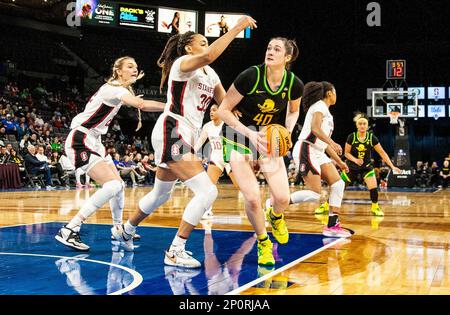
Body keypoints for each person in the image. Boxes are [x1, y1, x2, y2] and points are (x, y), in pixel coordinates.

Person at [113, 16, 258, 268]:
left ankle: (125, 230)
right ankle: (175, 249)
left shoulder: (210, 74)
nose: (206, 44)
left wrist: (241, 112)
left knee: (160, 194)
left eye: (206, 41)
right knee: (207, 191)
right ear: (189, 48)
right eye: (201, 42)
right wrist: (236, 28)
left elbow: (224, 101)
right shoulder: (182, 64)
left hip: (185, 132)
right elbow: (211, 55)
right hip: (173, 128)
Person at [55, 56, 165, 251]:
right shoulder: (113, 89)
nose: (134, 70)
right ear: (118, 71)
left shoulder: (117, 90)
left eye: (136, 66)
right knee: (113, 184)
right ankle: (70, 228)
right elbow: (141, 105)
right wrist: (170, 107)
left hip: (95, 141)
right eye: (130, 66)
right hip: (81, 138)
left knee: (119, 186)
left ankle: (117, 228)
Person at [217, 37, 303, 266]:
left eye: (276, 49)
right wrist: (250, 133)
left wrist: (287, 132)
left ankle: (275, 215)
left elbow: (293, 111)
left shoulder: (294, 84)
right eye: (268, 47)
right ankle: (263, 243)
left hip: (268, 137)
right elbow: (224, 110)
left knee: (283, 197)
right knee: (253, 198)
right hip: (239, 135)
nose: (270, 51)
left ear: (287, 57)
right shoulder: (250, 76)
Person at [291, 81, 351, 238]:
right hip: (306, 148)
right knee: (314, 193)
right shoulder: (318, 106)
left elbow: (324, 144)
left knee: (338, 184)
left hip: (317, 150)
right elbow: (315, 129)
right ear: (330, 93)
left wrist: (339, 162)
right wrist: (332, 142)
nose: (336, 95)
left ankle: (332, 225)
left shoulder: (327, 112)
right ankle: (275, 204)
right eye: (335, 91)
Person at [314, 112, 401, 216]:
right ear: (357, 125)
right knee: (339, 187)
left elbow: (382, 153)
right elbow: (346, 153)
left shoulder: (372, 138)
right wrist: (355, 160)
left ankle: (375, 207)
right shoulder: (352, 137)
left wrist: (392, 166)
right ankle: (326, 205)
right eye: (360, 124)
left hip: (367, 167)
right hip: (351, 167)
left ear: (367, 125)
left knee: (373, 187)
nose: (362, 126)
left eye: (364, 124)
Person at [193, 104, 238, 219]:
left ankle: (260, 208)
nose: (211, 112)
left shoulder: (227, 124)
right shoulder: (207, 126)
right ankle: (207, 211)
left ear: (221, 111)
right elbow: (200, 142)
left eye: (214, 110)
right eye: (210, 110)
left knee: (241, 187)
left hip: (230, 159)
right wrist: (192, 151)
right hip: (216, 158)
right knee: (208, 186)